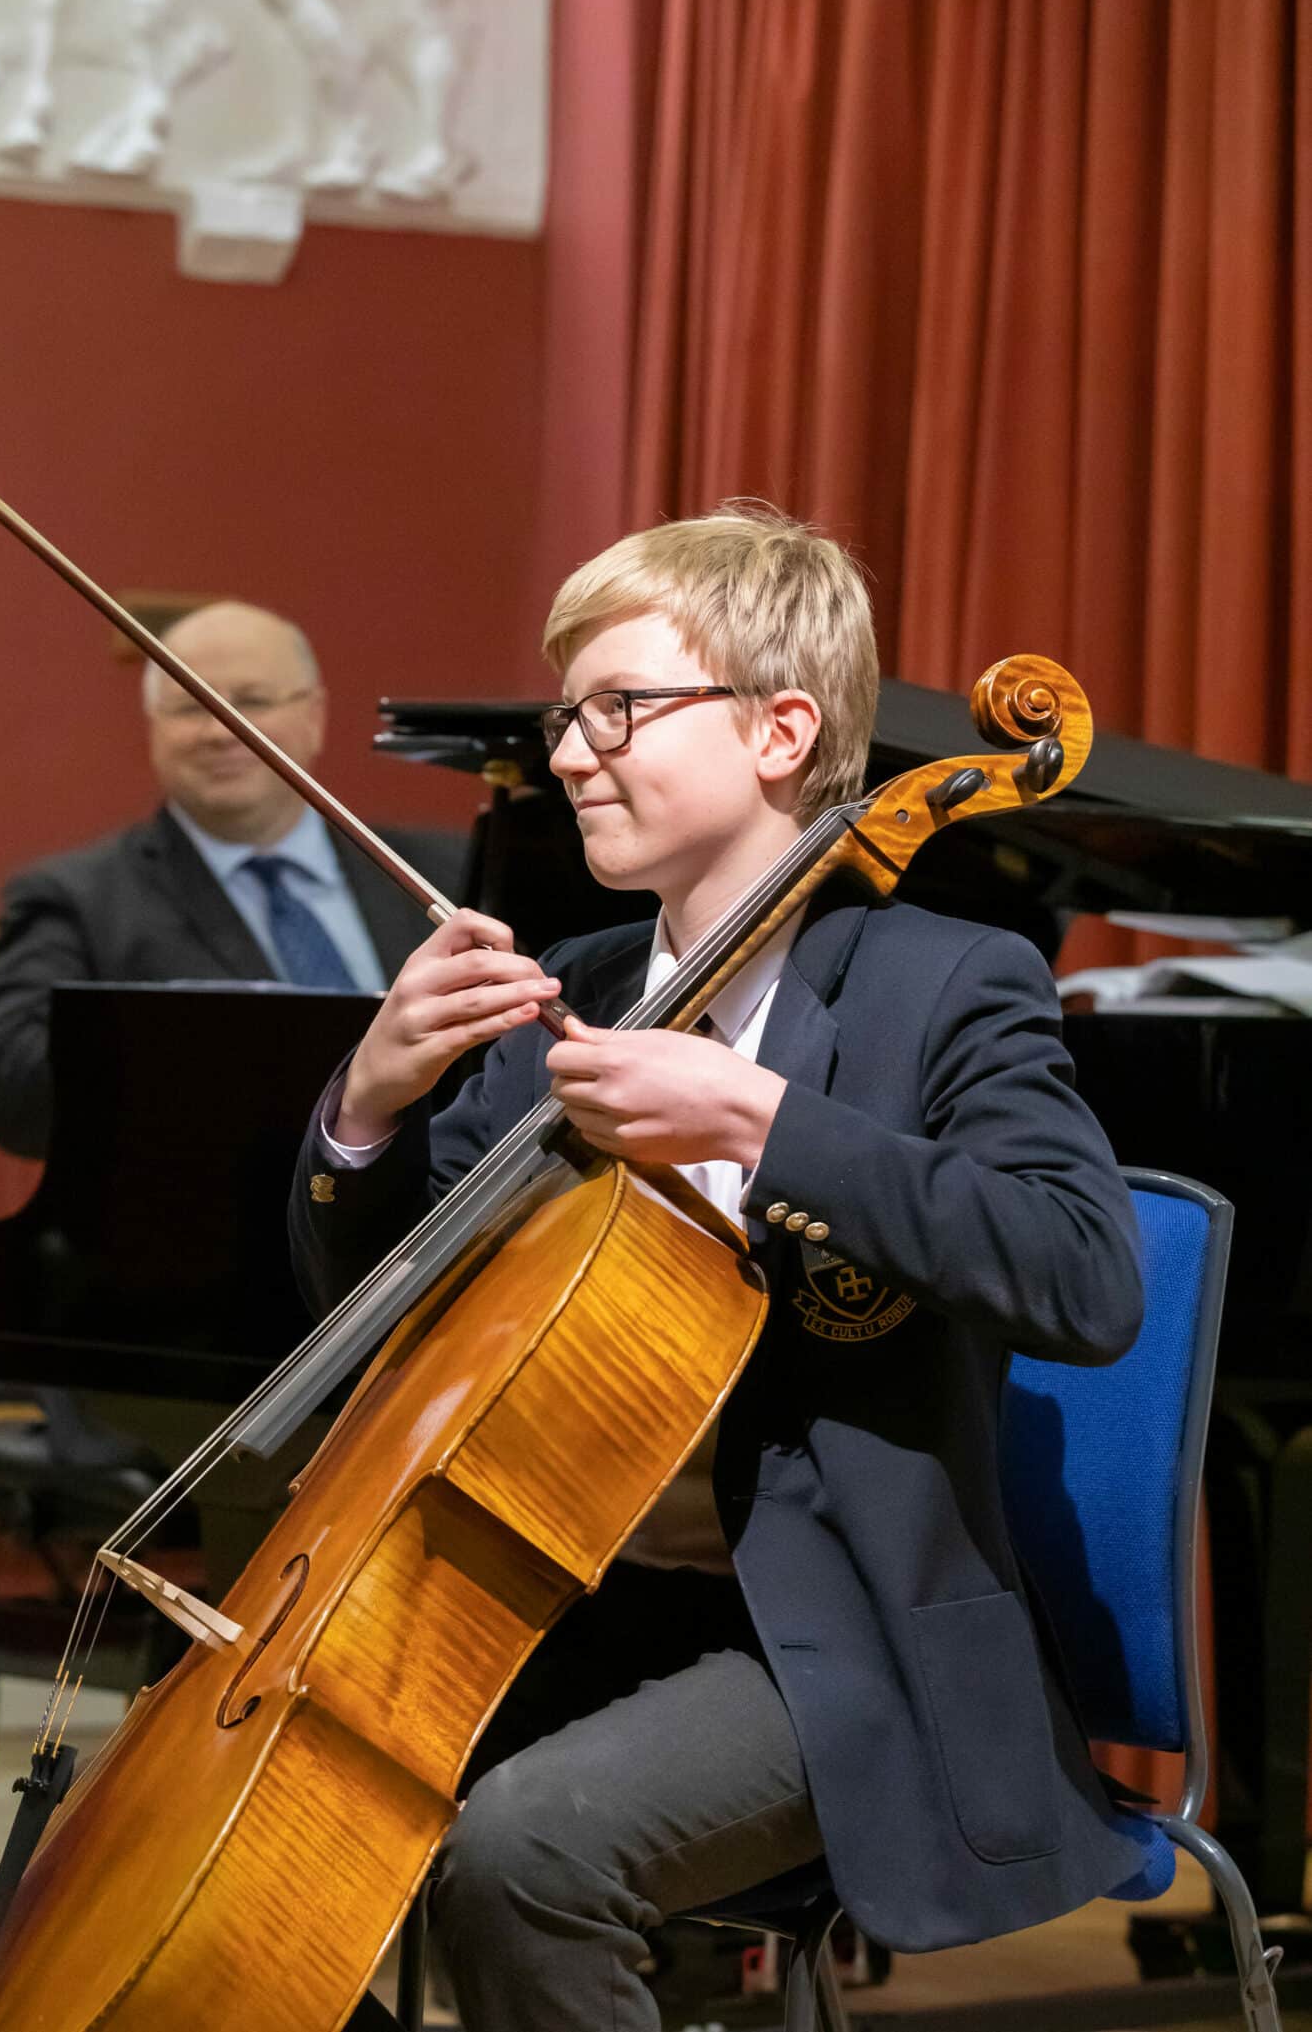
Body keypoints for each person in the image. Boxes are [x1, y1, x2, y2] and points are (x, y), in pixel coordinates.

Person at [289, 504, 1146, 2032]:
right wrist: (364, 1108)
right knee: (266, 1823)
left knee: (523, 1852)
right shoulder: (589, 992)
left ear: (779, 729)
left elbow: (1083, 1279)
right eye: (565, 714)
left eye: (617, 707)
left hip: (833, 1633)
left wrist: (764, 1121)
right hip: (568, 1592)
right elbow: (376, 1322)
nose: (565, 751)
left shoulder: (943, 983)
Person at [0, 597, 454, 1160]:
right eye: (190, 706)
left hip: (443, 1219)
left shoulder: (444, 872)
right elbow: (12, 1096)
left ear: (314, 717)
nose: (221, 730)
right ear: (152, 729)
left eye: (251, 701)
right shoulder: (75, 900)